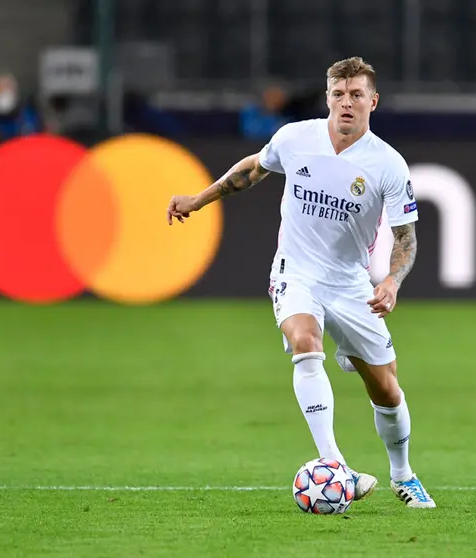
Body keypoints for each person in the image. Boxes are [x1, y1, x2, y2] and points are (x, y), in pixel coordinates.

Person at [166, 57, 435, 509]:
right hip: (296, 271)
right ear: (327, 97)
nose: (346, 103)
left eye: (355, 95)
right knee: (305, 342)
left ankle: (403, 475)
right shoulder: (295, 138)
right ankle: (336, 466)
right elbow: (252, 170)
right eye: (338, 94)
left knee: (386, 389)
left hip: (350, 285)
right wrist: (198, 199)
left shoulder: (388, 164)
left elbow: (405, 238)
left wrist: (391, 280)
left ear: (373, 100)